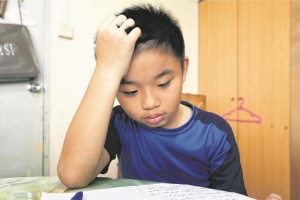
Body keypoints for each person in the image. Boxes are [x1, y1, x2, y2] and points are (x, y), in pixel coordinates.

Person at [57, 3, 247, 195]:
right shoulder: (120, 123)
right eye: (130, 91)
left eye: (163, 84)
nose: (149, 103)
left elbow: (233, 197)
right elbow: (73, 176)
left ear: (184, 69)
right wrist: (106, 71)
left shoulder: (214, 133)